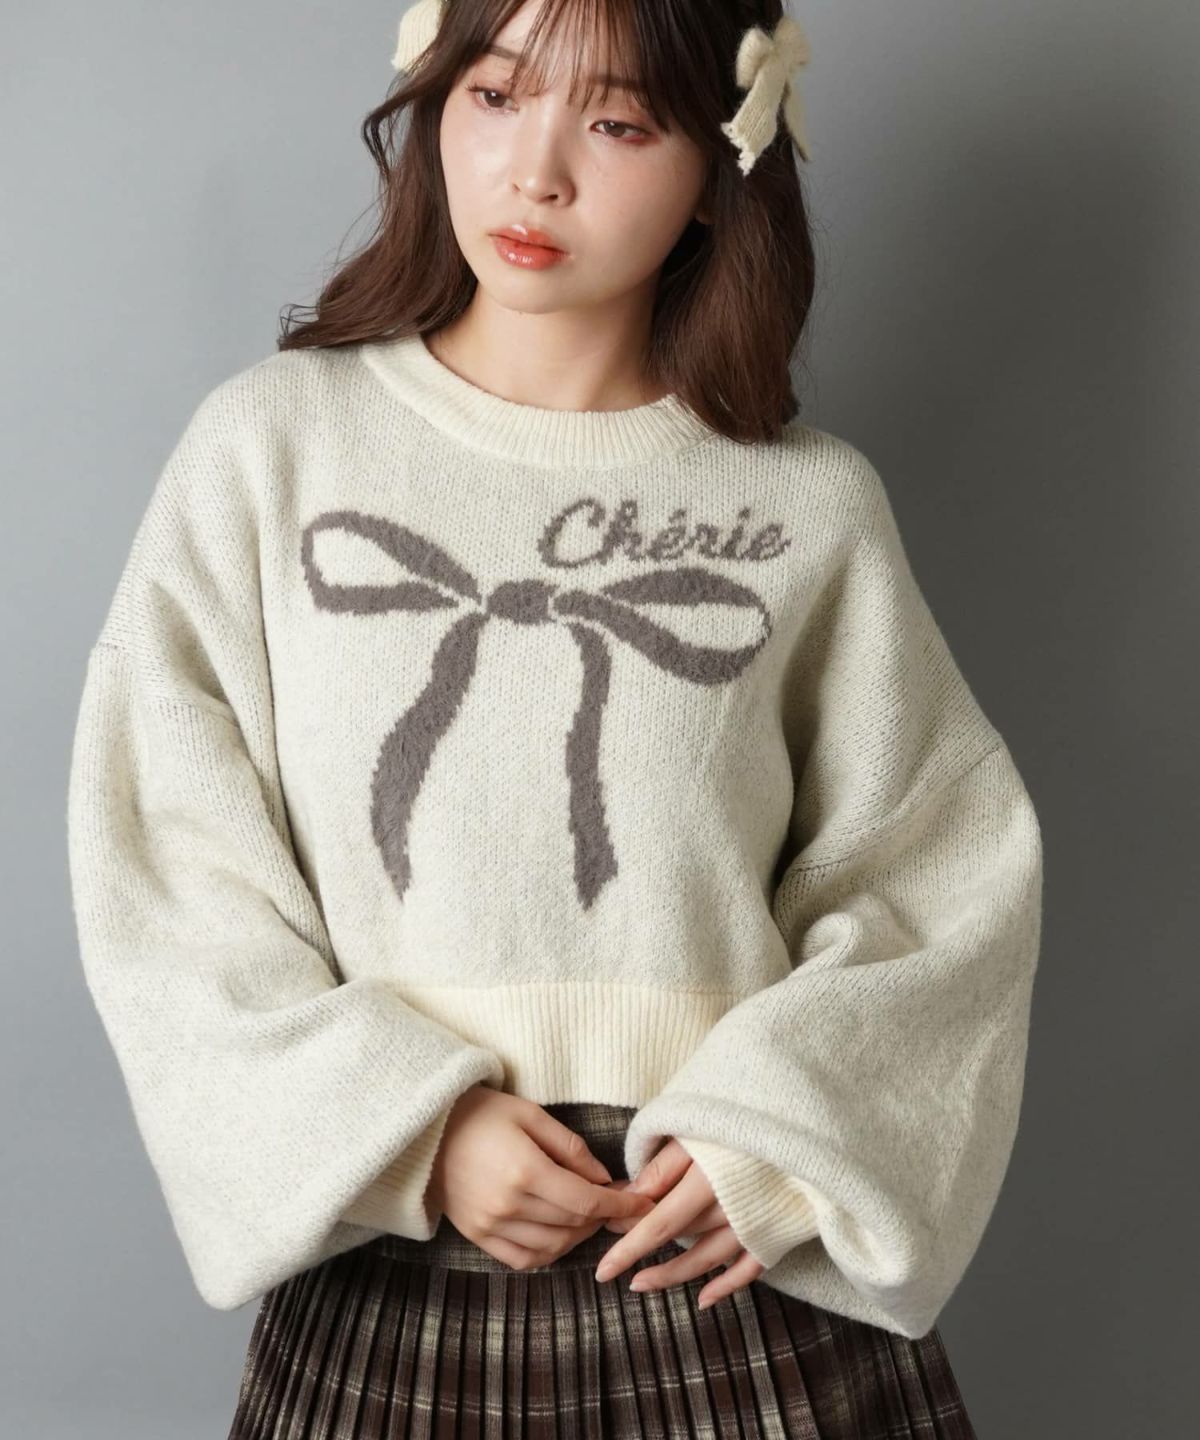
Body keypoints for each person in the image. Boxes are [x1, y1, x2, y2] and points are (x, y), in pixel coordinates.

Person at [65, 1, 1043, 1436]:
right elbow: (166, 858)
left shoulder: (806, 507)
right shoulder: (274, 449)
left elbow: (937, 873)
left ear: (720, 164)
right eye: (495, 95)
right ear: (431, 103)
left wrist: (778, 1145)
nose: (536, 172)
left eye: (619, 122)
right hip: (393, 1250)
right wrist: (416, 1127)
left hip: (710, 1258)